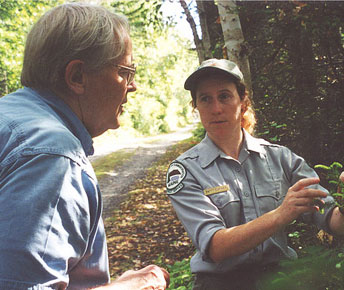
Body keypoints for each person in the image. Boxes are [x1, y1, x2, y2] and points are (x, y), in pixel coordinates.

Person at [0, 3, 169, 290]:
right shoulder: (52, 154)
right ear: (77, 77)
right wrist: (130, 286)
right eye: (126, 71)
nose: (133, 86)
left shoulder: (10, 119)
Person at [165, 58, 344, 290]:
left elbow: (330, 218)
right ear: (196, 107)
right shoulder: (187, 170)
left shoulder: (280, 158)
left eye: (225, 96)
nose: (216, 108)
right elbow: (216, 246)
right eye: (205, 99)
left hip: (281, 278)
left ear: (243, 102)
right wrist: (281, 214)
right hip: (220, 284)